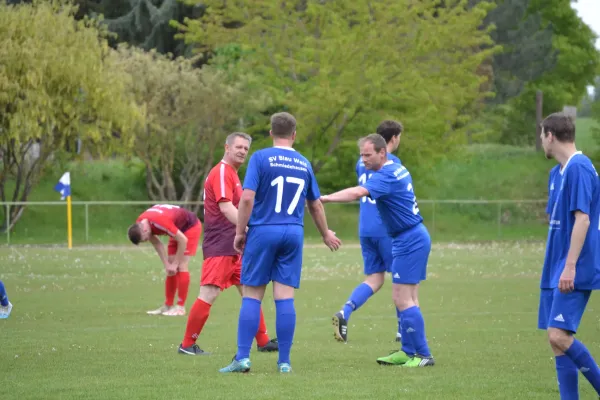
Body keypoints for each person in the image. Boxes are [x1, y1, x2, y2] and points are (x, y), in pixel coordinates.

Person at [219, 112, 341, 374]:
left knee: (252, 295)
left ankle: (242, 358)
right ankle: (284, 362)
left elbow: (247, 198)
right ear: (294, 135)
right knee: (285, 297)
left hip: (264, 230)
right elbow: (315, 205)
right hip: (293, 232)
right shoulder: (304, 162)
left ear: (271, 132)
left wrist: (240, 232)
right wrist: (325, 233)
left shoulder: (261, 157)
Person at [321, 133, 434, 367]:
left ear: (382, 152)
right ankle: (407, 351)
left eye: (368, 155)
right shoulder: (393, 168)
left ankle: (423, 355)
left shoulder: (387, 175)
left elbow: (357, 192)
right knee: (408, 297)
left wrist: (326, 198)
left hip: (409, 239)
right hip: (409, 237)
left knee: (403, 299)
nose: (363, 160)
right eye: (361, 155)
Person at [178, 132, 278, 356]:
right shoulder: (222, 171)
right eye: (238, 147)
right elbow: (226, 208)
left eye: (245, 148)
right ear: (227, 147)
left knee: (250, 291)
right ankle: (186, 345)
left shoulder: (232, 174)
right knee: (209, 293)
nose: (242, 151)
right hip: (222, 244)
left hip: (235, 245)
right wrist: (249, 230)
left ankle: (262, 341)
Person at [537, 112, 600, 399]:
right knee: (557, 341)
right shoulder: (557, 173)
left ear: (550, 135)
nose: (541, 142)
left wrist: (570, 266)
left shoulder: (580, 167)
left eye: (541, 135)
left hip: (573, 266)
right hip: (556, 265)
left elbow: (583, 220)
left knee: (558, 336)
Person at [332, 120, 404, 344]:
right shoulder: (392, 162)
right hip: (386, 228)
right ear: (393, 139)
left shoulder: (361, 161)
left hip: (366, 227)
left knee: (374, 278)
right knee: (403, 279)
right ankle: (404, 329)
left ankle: (345, 312)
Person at [128, 204, 202, 316]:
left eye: (146, 238)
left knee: (181, 265)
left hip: (190, 227)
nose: (148, 239)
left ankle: (180, 308)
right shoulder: (141, 223)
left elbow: (183, 240)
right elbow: (157, 243)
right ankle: (167, 306)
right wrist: (167, 264)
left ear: (144, 230)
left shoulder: (160, 222)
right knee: (171, 268)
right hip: (177, 229)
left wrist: (175, 263)